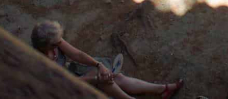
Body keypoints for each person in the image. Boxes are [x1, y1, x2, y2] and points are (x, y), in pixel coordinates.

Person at [31, 20, 183, 99]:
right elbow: (63, 85)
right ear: (45, 46)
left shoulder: (54, 42)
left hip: (72, 74)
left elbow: (77, 55)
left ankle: (163, 89)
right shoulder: (39, 64)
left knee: (115, 76)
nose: (60, 43)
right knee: (103, 80)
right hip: (62, 89)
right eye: (57, 42)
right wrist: (96, 78)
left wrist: (99, 66)